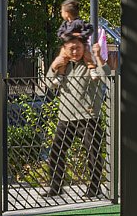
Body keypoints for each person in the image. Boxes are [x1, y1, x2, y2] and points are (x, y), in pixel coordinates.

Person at [41, 32, 113, 200]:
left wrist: (98, 57)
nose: (75, 52)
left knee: (93, 153)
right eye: (71, 48)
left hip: (88, 116)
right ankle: (56, 187)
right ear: (65, 49)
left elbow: (107, 78)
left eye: (78, 48)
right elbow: (49, 85)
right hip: (66, 116)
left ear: (84, 47)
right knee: (56, 152)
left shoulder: (90, 63)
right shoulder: (63, 65)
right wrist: (53, 67)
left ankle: (94, 188)